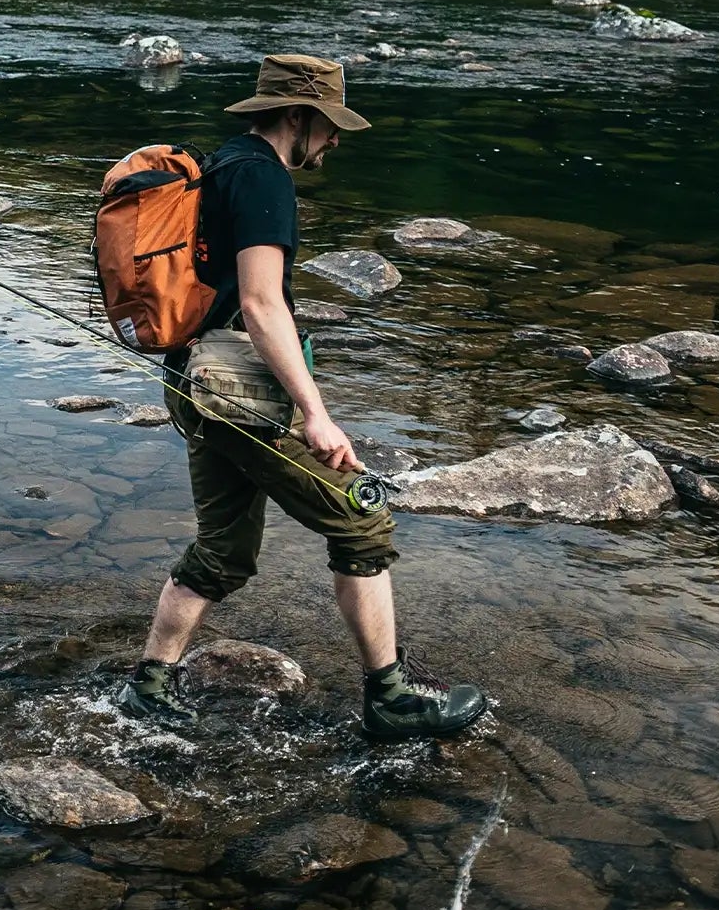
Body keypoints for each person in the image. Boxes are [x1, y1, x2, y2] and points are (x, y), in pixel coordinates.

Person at [120, 53, 490, 745]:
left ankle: (148, 688)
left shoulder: (224, 161)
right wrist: (316, 414)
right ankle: (391, 700)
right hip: (234, 391)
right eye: (328, 125)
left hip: (191, 380)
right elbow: (261, 306)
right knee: (362, 521)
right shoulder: (264, 179)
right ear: (296, 117)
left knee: (225, 551)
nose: (335, 140)